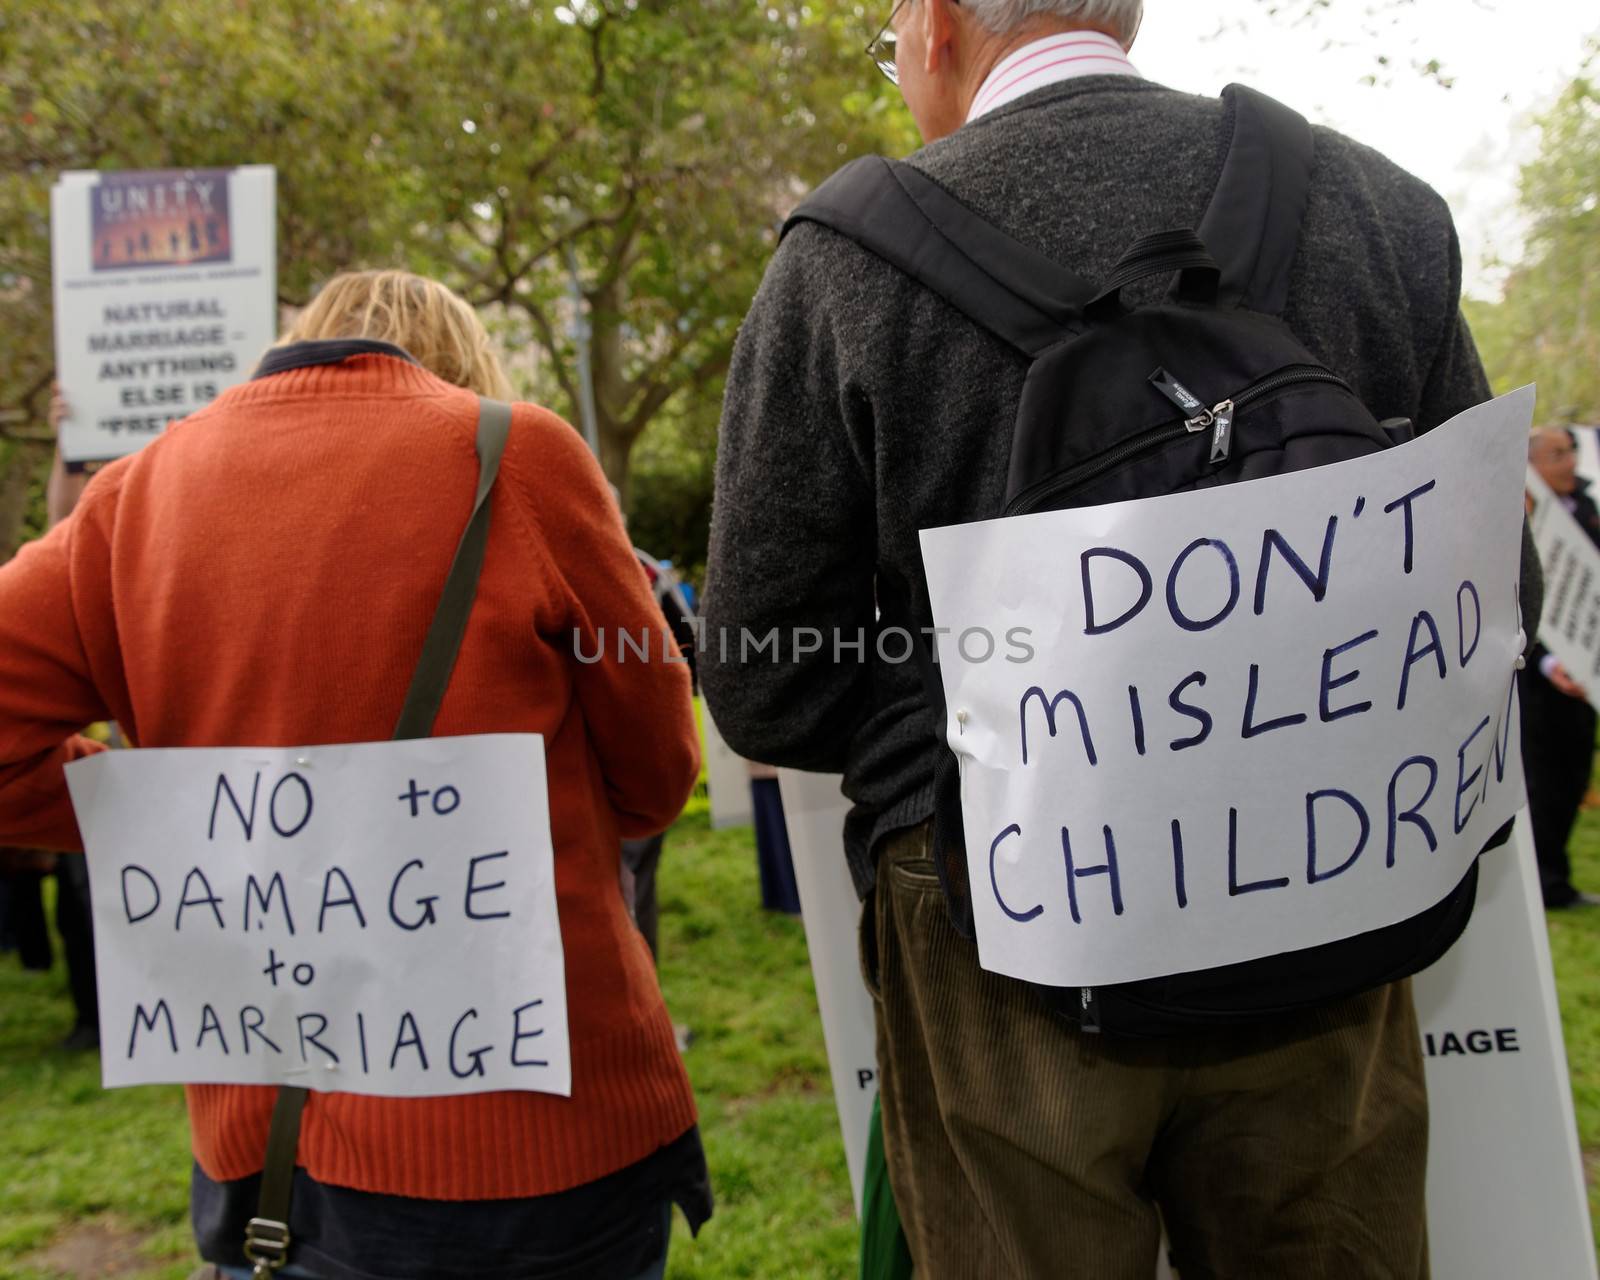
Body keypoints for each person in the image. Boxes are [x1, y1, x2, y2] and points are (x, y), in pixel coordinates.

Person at [701, 2, 1509, 1274]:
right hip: (1321, 869)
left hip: (995, 912)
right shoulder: (1373, 206)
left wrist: (975, 702)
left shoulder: (842, 260)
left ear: (939, 22)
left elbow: (763, 682)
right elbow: (1475, 571)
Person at [0, 270, 707, 1279]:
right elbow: (655, 775)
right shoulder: (521, 454)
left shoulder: (134, 494)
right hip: (545, 1134)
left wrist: (169, 819)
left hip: (272, 1151)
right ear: (461, 366)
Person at [1521, 425, 1600, 909]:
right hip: (1540, 680)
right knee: (1542, 780)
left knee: (1573, 774)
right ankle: (1544, 884)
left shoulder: (1585, 509)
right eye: (1556, 454)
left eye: (1571, 451)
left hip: (1585, 671)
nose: (1569, 461)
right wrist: (1550, 663)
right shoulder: (1521, 518)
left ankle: (1560, 880)